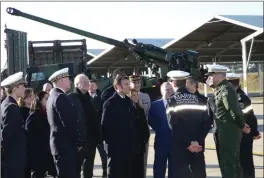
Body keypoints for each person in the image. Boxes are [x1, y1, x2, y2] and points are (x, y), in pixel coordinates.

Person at [206, 64, 250, 178]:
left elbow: (234, 111)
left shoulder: (226, 89)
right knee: (232, 162)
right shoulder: (221, 88)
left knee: (228, 163)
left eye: (211, 74)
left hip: (228, 131)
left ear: (219, 75)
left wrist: (241, 125)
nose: (209, 77)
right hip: (225, 130)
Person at [166, 70, 211, 178]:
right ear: (185, 82)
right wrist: (196, 142)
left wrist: (188, 143)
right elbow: (207, 123)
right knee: (199, 173)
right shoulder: (200, 100)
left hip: (180, 148)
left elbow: (173, 126)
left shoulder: (172, 101)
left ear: (173, 83)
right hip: (198, 147)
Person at [46, 68, 84, 178]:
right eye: (68, 79)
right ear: (61, 81)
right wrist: (78, 141)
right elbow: (68, 123)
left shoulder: (52, 97)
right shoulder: (60, 97)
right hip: (65, 147)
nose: (70, 81)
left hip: (59, 146)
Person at [101, 75, 141, 178]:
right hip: (116, 150)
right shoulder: (110, 103)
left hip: (128, 148)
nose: (129, 86)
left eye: (128, 84)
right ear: (117, 87)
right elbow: (105, 127)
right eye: (126, 84)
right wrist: (111, 147)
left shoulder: (128, 101)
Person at [226, 72, 261, 178]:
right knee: (246, 162)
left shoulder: (224, 96)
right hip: (245, 134)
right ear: (239, 83)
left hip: (229, 135)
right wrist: (254, 132)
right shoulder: (243, 97)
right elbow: (251, 117)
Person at [67, 74, 100, 178]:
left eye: (87, 81)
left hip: (91, 139)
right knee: (77, 168)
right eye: (84, 82)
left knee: (89, 167)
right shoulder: (71, 98)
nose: (87, 83)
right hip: (79, 140)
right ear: (77, 84)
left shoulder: (88, 98)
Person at [1, 71, 27, 178]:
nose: (24, 89)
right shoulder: (12, 107)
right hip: (13, 159)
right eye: (22, 86)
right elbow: (6, 136)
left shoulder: (5, 103)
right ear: (15, 88)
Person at [25, 91, 57, 178]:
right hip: (37, 155)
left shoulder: (48, 114)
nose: (49, 100)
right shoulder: (34, 116)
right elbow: (29, 137)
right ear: (39, 101)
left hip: (48, 152)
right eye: (46, 98)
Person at [148, 82, 174, 178]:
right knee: (159, 167)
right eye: (166, 90)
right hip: (161, 142)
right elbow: (151, 120)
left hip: (175, 142)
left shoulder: (178, 104)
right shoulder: (154, 105)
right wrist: (161, 128)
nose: (169, 91)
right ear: (161, 91)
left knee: (174, 169)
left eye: (170, 89)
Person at [129, 74, 151, 177]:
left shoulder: (146, 96)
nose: (137, 84)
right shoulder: (127, 97)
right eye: (134, 82)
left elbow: (148, 113)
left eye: (139, 82)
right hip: (132, 134)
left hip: (143, 131)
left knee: (144, 158)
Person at [89, 80, 108, 177]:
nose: (91, 87)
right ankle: (88, 174)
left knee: (103, 155)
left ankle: (105, 173)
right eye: (89, 85)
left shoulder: (101, 98)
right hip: (89, 133)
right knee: (89, 157)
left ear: (96, 86)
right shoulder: (84, 98)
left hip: (99, 132)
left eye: (93, 85)